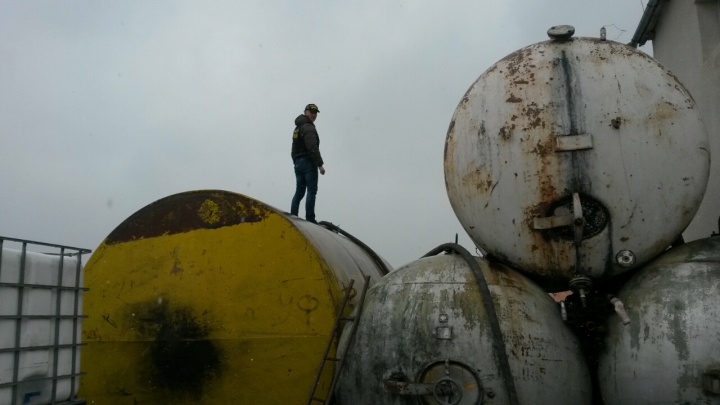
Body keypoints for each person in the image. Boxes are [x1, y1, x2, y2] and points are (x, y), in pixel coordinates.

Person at [290, 103, 325, 223]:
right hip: (308, 162)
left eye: (315, 113)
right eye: (311, 112)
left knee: (299, 191)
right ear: (305, 112)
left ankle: (293, 216)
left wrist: (295, 161)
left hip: (298, 163)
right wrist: (320, 165)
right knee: (311, 190)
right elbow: (312, 147)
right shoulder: (308, 127)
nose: (314, 115)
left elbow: (293, 148)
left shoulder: (297, 127)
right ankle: (310, 218)